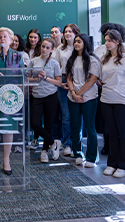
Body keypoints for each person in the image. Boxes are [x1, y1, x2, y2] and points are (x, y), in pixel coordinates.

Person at [0, 27, 24, 175]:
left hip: (10, 98)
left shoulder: (17, 57)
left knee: (8, 127)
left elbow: (22, 76)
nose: (2, 39)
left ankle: (6, 160)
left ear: (11, 39)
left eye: (5, 37)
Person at [100, 30, 125, 178]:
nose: (107, 43)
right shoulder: (104, 59)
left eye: (110, 40)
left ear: (117, 41)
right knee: (112, 133)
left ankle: (124, 165)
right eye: (106, 40)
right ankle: (112, 163)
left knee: (123, 133)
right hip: (106, 100)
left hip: (122, 101)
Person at [66, 34, 100, 167]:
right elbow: (68, 77)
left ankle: (92, 157)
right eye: (75, 42)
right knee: (75, 126)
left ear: (85, 43)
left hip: (89, 97)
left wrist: (79, 93)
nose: (76, 44)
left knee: (90, 127)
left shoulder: (92, 59)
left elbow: (93, 79)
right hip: (73, 97)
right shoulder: (72, 59)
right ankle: (78, 154)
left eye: (79, 41)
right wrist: (73, 93)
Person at [27, 38, 63, 163]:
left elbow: (59, 82)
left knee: (49, 125)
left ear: (52, 49)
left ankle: (44, 151)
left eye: (48, 47)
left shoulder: (54, 63)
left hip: (51, 96)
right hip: (37, 96)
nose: (44, 49)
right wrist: (37, 78)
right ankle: (53, 144)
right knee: (35, 124)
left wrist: (46, 77)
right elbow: (27, 79)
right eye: (43, 46)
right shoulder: (33, 61)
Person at [55, 23, 81, 156]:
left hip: (79, 82)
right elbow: (56, 66)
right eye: (65, 31)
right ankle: (67, 144)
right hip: (63, 81)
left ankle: (77, 145)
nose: (67, 33)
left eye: (70, 31)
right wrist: (60, 82)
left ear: (76, 33)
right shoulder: (60, 48)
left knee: (77, 116)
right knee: (66, 116)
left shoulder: (81, 47)